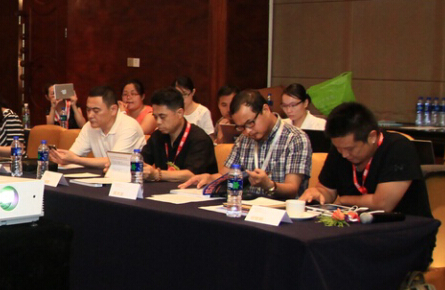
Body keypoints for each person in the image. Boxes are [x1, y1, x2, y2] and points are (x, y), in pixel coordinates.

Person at [300, 102, 430, 216]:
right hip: (355, 225)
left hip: (404, 227)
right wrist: (317, 193)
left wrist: (345, 200)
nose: (344, 155)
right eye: (339, 148)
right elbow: (327, 190)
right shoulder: (340, 148)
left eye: (350, 149)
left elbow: (382, 204)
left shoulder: (398, 148)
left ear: (372, 137)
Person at [181, 89, 311, 199]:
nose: (248, 131)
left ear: (265, 109)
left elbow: (293, 189)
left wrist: (269, 185)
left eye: (250, 123)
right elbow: (226, 175)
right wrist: (209, 178)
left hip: (280, 212)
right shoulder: (244, 139)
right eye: (241, 127)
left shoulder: (295, 138)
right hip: (245, 206)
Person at [54, 86, 145, 170]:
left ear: (113, 110)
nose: (90, 115)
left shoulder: (129, 126)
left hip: (132, 178)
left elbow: (114, 162)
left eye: (96, 111)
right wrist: (60, 156)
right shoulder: (89, 126)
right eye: (88, 110)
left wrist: (76, 160)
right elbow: (74, 154)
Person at [141, 88, 218, 182]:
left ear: (180, 113)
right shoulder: (157, 136)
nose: (158, 122)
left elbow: (191, 175)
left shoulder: (200, 139)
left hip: (194, 189)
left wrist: (157, 174)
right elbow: (142, 160)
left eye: (162, 117)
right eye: (155, 117)